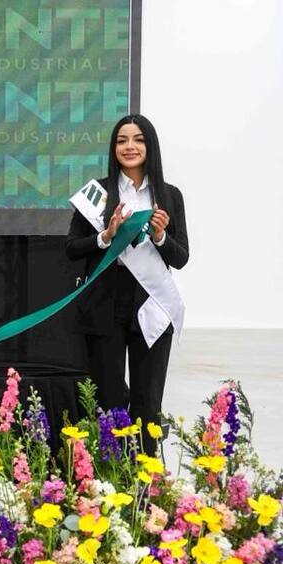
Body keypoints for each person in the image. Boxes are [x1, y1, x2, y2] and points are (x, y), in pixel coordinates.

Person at [66, 114, 188, 444]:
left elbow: (181, 257)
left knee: (148, 405)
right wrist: (106, 236)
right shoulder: (98, 193)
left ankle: (145, 487)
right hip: (105, 304)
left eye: (138, 139)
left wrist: (162, 236)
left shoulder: (169, 195)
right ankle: (108, 484)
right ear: (113, 147)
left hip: (151, 303)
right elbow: (71, 249)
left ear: (150, 146)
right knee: (108, 403)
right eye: (122, 140)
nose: (129, 146)